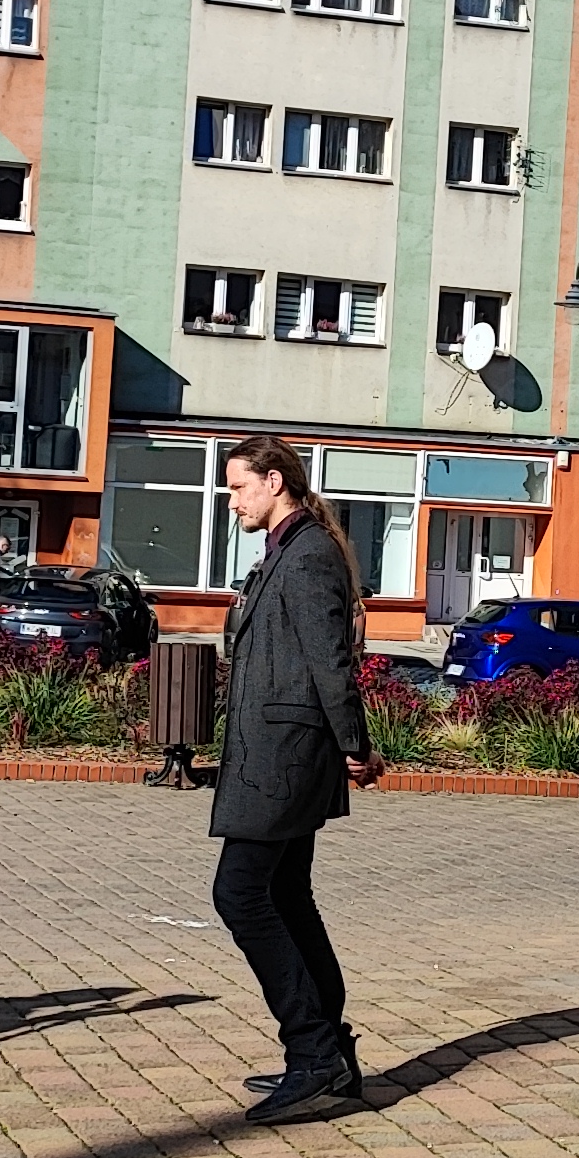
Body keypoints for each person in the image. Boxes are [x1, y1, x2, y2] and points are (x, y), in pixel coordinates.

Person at [209, 434, 382, 1121]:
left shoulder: (307, 554)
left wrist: (354, 746)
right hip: (278, 751)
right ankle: (329, 1052)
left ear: (274, 481)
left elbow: (329, 661)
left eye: (238, 487)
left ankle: (312, 1053)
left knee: (240, 894)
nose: (232, 501)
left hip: (284, 757)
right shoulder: (288, 549)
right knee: (285, 894)